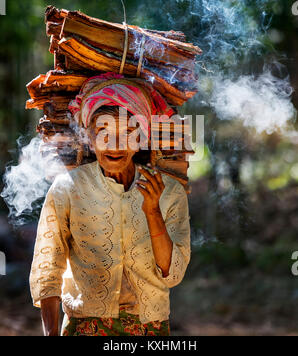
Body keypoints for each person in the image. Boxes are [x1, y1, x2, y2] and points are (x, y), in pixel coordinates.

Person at [29, 72, 191, 336]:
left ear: (141, 138)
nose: (115, 145)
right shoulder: (67, 189)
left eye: (128, 132)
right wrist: (50, 333)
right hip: (84, 328)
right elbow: (48, 269)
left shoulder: (169, 192)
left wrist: (152, 211)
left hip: (150, 330)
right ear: (89, 137)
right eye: (103, 132)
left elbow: (172, 275)